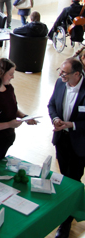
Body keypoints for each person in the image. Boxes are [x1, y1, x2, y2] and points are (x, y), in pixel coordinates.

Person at [48, 58, 85, 238]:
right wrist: (55, 119)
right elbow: (52, 105)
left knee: (74, 181)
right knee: (64, 179)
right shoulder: (60, 83)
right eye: (60, 71)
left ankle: (66, 223)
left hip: (80, 144)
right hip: (61, 140)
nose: (60, 75)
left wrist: (72, 125)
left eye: (65, 73)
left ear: (77, 74)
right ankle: (64, 213)